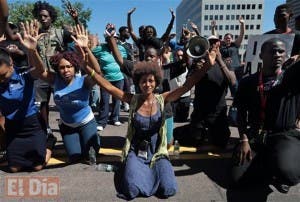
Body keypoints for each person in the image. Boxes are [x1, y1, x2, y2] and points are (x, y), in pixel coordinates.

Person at [84, 37, 216, 198]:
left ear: (156, 82)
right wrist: (87, 67)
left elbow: (187, 85)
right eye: (143, 81)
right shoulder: (132, 100)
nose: (147, 84)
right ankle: (135, 169)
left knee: (169, 189)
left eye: (151, 81)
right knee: (132, 189)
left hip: (157, 151)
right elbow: (109, 87)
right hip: (135, 150)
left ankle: (153, 170)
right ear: (138, 83)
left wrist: (207, 66)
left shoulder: (163, 99)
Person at [232, 38, 300, 193]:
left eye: (281, 51)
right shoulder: (248, 82)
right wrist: (244, 139)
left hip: (284, 135)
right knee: (237, 179)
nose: (277, 54)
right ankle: (268, 164)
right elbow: (241, 113)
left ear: (286, 54)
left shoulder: (293, 78)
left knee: (289, 173)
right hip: (256, 134)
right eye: (272, 51)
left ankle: (280, 168)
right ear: (261, 55)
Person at [105, 24, 189, 148]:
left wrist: (187, 41)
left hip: (165, 113)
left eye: (152, 56)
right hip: (143, 114)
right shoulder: (137, 69)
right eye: (146, 56)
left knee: (168, 144)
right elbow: (120, 60)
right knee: (144, 145)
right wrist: (112, 38)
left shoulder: (166, 70)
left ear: (158, 57)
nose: (149, 58)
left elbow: (185, 62)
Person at [33, 24, 101, 163]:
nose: (66, 70)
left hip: (86, 121)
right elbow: (40, 72)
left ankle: (92, 139)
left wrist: (87, 49)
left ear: (75, 67)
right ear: (58, 69)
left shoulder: (83, 81)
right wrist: (32, 50)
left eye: (69, 66)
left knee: (91, 155)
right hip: (67, 125)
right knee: (74, 157)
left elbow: (97, 73)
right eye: (62, 67)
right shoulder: (55, 79)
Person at [0, 20, 49, 172]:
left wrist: (32, 51)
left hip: (32, 124)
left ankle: (49, 145)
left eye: (4, 75)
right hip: (13, 128)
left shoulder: (23, 74)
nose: (1, 80)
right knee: (14, 168)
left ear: (11, 65)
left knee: (37, 166)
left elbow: (40, 72)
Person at [189, 35, 236, 148]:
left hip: (218, 113)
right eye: (210, 42)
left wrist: (219, 60)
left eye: (215, 42)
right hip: (200, 113)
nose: (213, 44)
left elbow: (232, 81)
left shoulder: (226, 63)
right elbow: (188, 83)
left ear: (219, 44)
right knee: (195, 141)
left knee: (221, 143)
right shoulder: (199, 63)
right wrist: (197, 68)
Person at [92, 24, 127, 131]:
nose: (113, 39)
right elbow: (90, 53)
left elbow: (124, 62)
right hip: (105, 79)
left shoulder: (121, 49)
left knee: (117, 99)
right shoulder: (100, 48)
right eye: (111, 38)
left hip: (119, 78)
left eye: (115, 38)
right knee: (105, 100)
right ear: (106, 39)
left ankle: (115, 118)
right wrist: (98, 69)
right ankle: (102, 121)